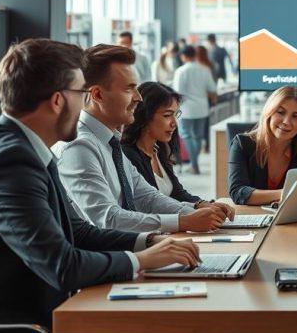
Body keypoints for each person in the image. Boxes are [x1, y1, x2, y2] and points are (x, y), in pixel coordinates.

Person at [0, 38, 199, 333]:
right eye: (81, 93)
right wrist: (140, 260)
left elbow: (79, 231)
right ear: (58, 100)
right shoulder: (8, 162)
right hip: (7, 331)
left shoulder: (24, 149)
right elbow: (62, 266)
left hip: (34, 316)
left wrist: (150, 241)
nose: (86, 103)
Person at [58, 45, 234, 234]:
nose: (139, 98)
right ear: (98, 95)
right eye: (129, 89)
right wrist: (183, 221)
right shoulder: (79, 147)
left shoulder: (109, 141)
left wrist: (197, 210)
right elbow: (107, 219)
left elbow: (146, 196)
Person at [229, 86, 297, 205]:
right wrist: (286, 193)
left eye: (296, 116)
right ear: (269, 113)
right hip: (250, 219)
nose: (286, 121)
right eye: (280, 112)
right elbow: (238, 192)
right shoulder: (242, 144)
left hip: (291, 222)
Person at [121, 82, 211, 204]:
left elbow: (177, 193)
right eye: (167, 115)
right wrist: (196, 209)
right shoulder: (129, 155)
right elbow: (151, 205)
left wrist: (206, 204)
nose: (174, 123)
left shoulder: (159, 149)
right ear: (145, 116)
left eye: (176, 114)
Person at [173, 45, 218, 174]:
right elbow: (212, 88)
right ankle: (195, 163)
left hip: (186, 109)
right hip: (202, 108)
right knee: (198, 136)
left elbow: (178, 92)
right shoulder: (204, 69)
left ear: (183, 56)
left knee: (186, 135)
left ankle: (194, 165)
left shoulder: (181, 71)